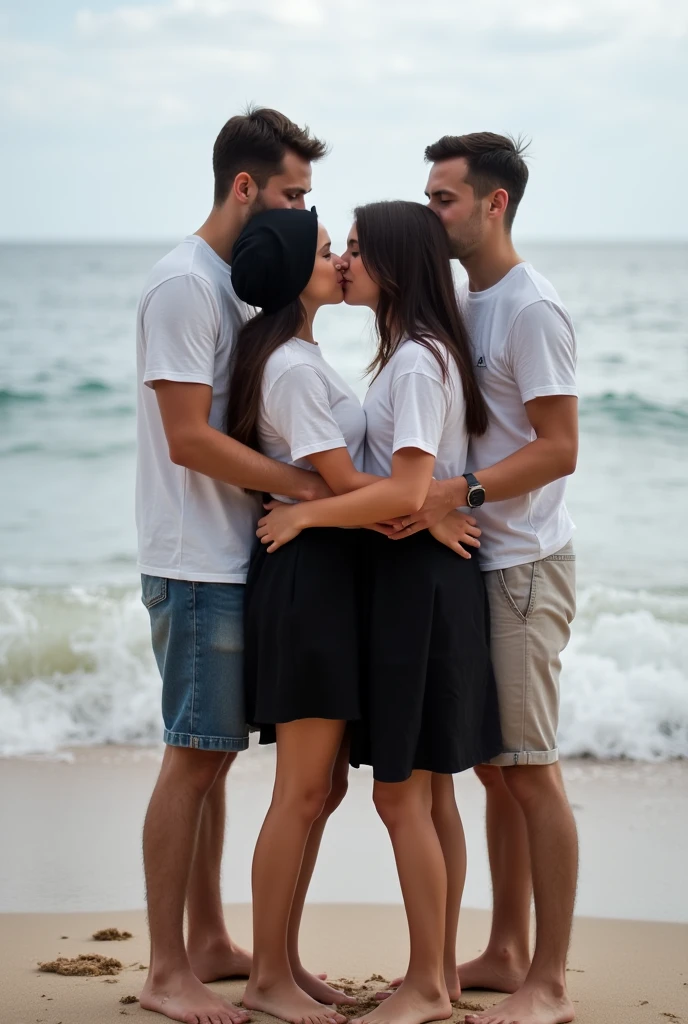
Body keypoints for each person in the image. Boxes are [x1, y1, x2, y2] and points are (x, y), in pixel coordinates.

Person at [256, 200, 502, 1024]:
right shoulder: (403, 359)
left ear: (395, 264)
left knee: (407, 797)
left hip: (419, 587)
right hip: (408, 581)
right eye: (340, 249)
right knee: (423, 798)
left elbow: (403, 490)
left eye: (357, 249)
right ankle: (433, 977)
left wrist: (305, 513)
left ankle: (430, 984)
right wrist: (421, 508)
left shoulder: (415, 362)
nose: (347, 261)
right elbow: (405, 494)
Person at [135, 107, 341, 1024]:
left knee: (213, 759)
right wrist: (309, 485)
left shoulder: (232, 288)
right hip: (193, 559)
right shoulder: (184, 285)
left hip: (230, 557)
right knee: (191, 759)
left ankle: (213, 937)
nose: (303, 213)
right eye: (294, 194)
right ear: (246, 188)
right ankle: (165, 969)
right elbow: (187, 440)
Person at [379, 133, 579, 1024]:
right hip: (480, 563)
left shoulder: (532, 309)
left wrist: (451, 492)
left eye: (445, 199)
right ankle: (505, 948)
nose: (432, 212)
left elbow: (560, 447)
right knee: (497, 772)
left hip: (524, 565)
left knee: (530, 772)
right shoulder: (470, 299)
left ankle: (552, 980)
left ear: (495, 204)